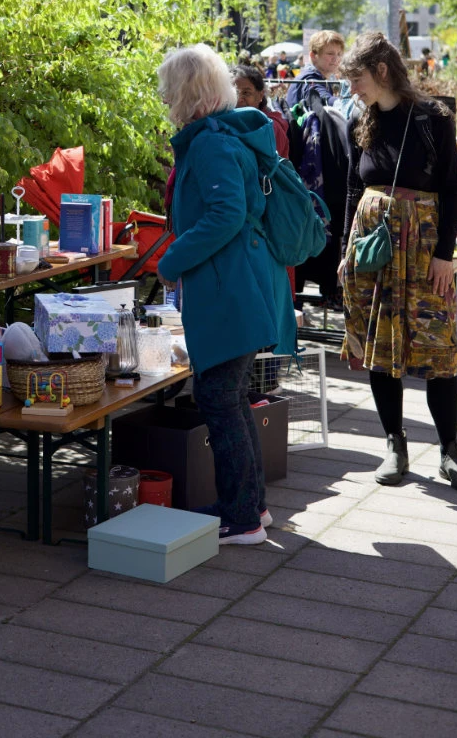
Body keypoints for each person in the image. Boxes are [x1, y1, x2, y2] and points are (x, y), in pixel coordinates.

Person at [156, 44, 297, 545]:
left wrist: (170, 262)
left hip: (228, 291)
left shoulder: (211, 142)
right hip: (235, 286)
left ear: (185, 92)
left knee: (221, 399)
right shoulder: (217, 136)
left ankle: (242, 517)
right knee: (232, 400)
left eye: (168, 89)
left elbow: (225, 215)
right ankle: (251, 507)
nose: (163, 97)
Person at [339, 32, 457, 490]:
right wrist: (345, 253)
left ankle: (451, 451)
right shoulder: (362, 118)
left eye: (356, 78)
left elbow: (453, 189)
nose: (352, 89)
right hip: (373, 251)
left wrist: (443, 257)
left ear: (381, 71)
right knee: (379, 348)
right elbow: (354, 189)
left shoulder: (433, 118)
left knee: (438, 350)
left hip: (424, 250)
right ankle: (394, 443)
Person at [234, 64, 290, 158]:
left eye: (246, 93)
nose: (239, 99)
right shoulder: (225, 121)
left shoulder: (271, 128)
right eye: (235, 92)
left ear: (260, 95)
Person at [285, 30, 345, 108]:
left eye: (339, 54)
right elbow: (326, 100)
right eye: (330, 53)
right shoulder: (309, 79)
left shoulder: (319, 77)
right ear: (313, 55)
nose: (336, 59)